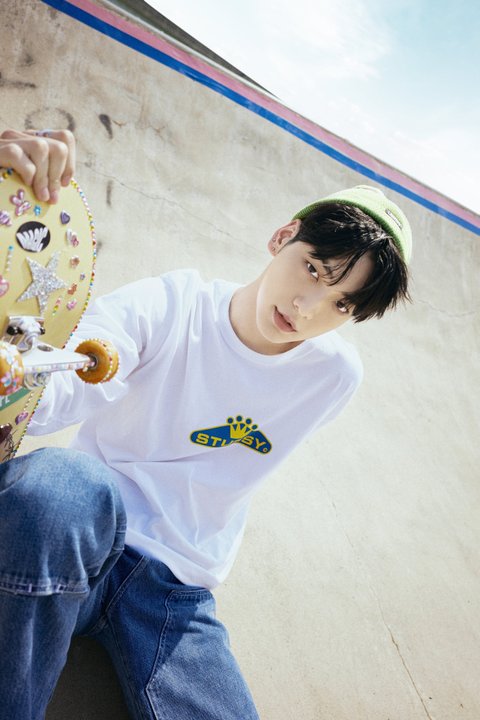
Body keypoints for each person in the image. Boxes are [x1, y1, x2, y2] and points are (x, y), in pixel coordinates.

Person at [0, 129, 411, 719]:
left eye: (341, 304)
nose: (307, 309)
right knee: (56, 483)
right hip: (83, 535)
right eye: (314, 270)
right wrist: (19, 367)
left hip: (175, 592)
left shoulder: (333, 378)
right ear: (282, 236)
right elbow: (68, 378)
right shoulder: (171, 305)